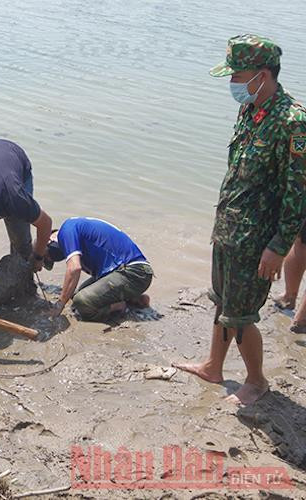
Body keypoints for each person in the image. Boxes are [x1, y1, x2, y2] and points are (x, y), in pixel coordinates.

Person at [174, 35, 306, 405]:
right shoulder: (251, 109)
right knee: (223, 302)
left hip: (257, 240)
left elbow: (298, 193)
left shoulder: (293, 122)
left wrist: (278, 247)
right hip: (230, 228)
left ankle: (257, 380)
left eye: (238, 75)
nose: (233, 83)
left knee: (243, 314)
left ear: (262, 75)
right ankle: (214, 366)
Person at [41, 217, 153, 322]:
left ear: (49, 240)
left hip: (132, 272)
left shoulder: (66, 231)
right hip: (133, 272)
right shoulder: (76, 233)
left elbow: (74, 269)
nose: (50, 258)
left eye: (47, 255)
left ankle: (119, 306)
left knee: (82, 302)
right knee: (78, 295)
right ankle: (135, 299)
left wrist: (59, 305)